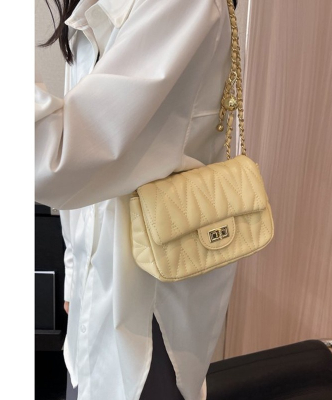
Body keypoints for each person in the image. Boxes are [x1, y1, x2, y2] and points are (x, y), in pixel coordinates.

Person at [35, 0, 239, 399]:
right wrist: (73, 276)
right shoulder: (94, 7)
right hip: (92, 304)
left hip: (148, 314)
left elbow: (60, 156)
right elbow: (81, 175)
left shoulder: (181, 5)